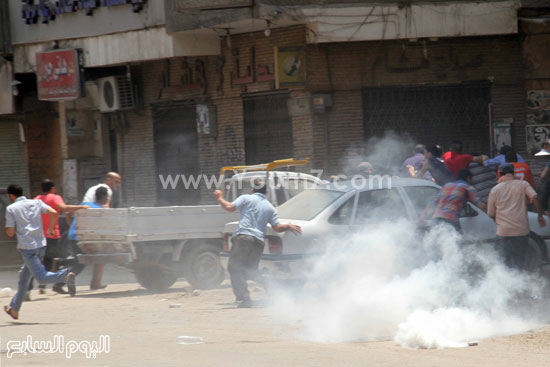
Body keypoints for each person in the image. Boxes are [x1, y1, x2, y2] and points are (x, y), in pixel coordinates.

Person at [214, 178, 302, 308]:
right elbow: (277, 228)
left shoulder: (246, 198)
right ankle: (268, 281)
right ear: (266, 192)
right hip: (258, 242)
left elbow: (229, 207)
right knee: (250, 271)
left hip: (243, 238)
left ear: (252, 190)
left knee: (235, 268)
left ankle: (245, 299)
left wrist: (219, 197)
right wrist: (288, 226)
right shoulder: (270, 208)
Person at [3, 185, 77, 320]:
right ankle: (14, 309)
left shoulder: (11, 209)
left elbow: (10, 232)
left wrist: (10, 230)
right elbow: (54, 213)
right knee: (24, 278)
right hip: (41, 246)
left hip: (27, 248)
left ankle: (65, 275)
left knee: (41, 277)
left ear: (11, 196)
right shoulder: (36, 202)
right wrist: (50, 229)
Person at [32, 179, 88, 295]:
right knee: (58, 260)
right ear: (52, 188)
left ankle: (41, 285)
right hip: (52, 235)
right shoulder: (54, 197)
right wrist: (81, 207)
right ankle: (57, 284)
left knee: (40, 260)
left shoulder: (36, 199)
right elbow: (64, 208)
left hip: (38, 235)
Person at [487, 163, 546, 270]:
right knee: (520, 261)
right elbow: (535, 197)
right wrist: (540, 215)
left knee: (504, 264)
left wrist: (499, 222)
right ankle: (520, 282)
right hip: (521, 231)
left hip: (503, 232)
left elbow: (491, 213)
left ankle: (508, 284)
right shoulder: (523, 184)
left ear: (500, 174)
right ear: (513, 173)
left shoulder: (495, 190)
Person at [81, 172, 121, 289]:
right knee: (102, 253)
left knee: (98, 254)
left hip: (85, 223)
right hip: (95, 224)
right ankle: (95, 283)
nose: (117, 185)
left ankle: (95, 282)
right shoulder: (106, 189)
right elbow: (105, 209)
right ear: (108, 180)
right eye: (116, 182)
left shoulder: (93, 188)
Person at [418, 169, 486, 232]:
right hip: (451, 220)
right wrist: (492, 215)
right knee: (457, 242)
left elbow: (432, 203)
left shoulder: (446, 186)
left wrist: (421, 219)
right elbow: (480, 205)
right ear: (468, 178)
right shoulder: (468, 187)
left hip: (437, 219)